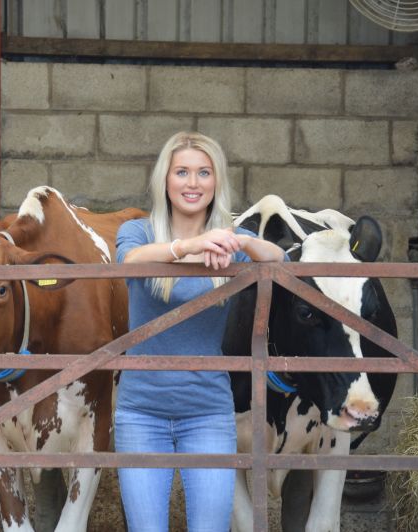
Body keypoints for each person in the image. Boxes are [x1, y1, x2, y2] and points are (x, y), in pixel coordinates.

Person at [115, 131, 285, 532]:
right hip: (141, 412)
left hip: (207, 412)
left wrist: (239, 240)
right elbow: (128, 261)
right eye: (182, 172)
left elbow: (280, 258)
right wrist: (187, 247)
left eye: (203, 172)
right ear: (165, 180)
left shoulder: (228, 240)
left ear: (216, 181)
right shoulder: (139, 231)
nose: (192, 183)